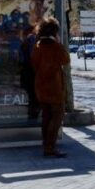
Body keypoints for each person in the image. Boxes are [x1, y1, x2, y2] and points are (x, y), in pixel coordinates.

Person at [31, 17, 70, 158]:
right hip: (55, 88)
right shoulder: (56, 47)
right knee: (57, 116)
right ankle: (50, 147)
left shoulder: (38, 46)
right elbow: (66, 60)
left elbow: (34, 64)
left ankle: (46, 143)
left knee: (46, 116)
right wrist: (58, 43)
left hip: (41, 87)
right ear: (54, 32)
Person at [19, 25, 39, 119]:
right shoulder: (32, 39)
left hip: (27, 70)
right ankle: (33, 113)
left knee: (31, 94)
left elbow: (22, 58)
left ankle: (32, 112)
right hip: (32, 71)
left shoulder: (26, 41)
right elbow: (32, 56)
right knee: (33, 94)